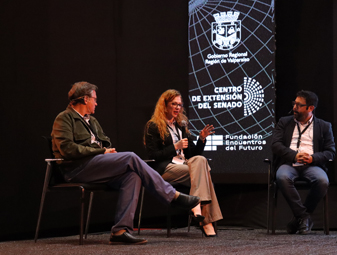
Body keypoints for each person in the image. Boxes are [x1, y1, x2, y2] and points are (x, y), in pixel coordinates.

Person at [51, 81, 201, 245]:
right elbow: (67, 149)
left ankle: (120, 231)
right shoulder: (64, 118)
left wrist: (105, 150)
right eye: (94, 99)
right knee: (130, 157)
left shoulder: (92, 121)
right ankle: (172, 196)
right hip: (76, 169)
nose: (97, 102)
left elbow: (105, 142)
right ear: (85, 99)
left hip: (96, 165)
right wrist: (100, 151)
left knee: (132, 176)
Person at [144, 89, 223, 237]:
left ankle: (198, 210)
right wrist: (175, 147)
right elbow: (153, 155)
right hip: (165, 169)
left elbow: (194, 155)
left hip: (184, 167)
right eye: (174, 104)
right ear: (165, 105)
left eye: (179, 105)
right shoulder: (153, 126)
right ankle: (205, 221)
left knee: (201, 161)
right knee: (204, 174)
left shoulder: (180, 126)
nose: (177, 108)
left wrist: (202, 139)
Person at [271, 90, 335, 234]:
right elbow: (275, 145)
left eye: (299, 105)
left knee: (322, 181)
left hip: (312, 165)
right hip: (289, 163)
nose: (294, 107)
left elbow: (330, 152)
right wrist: (294, 156)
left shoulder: (324, 126)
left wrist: (313, 158)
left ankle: (298, 219)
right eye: (294, 103)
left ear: (310, 108)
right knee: (282, 177)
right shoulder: (284, 122)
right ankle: (304, 217)